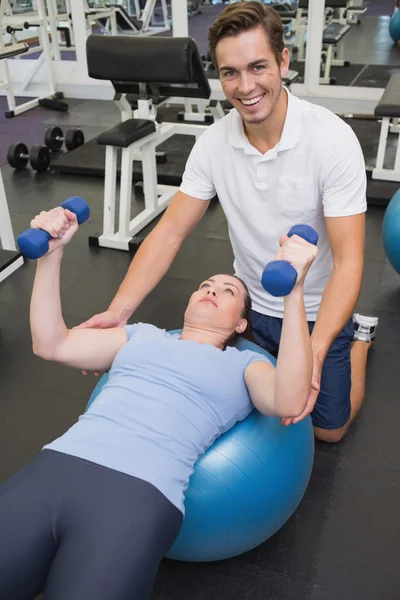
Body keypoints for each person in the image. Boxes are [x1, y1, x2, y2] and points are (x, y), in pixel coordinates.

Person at [78, 1, 378, 444]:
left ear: (283, 61)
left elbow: (351, 261)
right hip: (251, 307)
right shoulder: (214, 144)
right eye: (230, 73)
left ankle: (361, 341)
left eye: (258, 66)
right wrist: (117, 313)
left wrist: (315, 349)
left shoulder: (331, 140)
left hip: (316, 312)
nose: (245, 86)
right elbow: (170, 232)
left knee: (329, 432)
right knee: (248, 413)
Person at [1, 205, 316, 599]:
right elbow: (52, 344)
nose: (212, 289)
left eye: (228, 290)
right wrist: (51, 256)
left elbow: (289, 400)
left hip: (135, 499)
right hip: (55, 469)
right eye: (205, 285)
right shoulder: (140, 336)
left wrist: (295, 290)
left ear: (240, 324)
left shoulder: (243, 363)